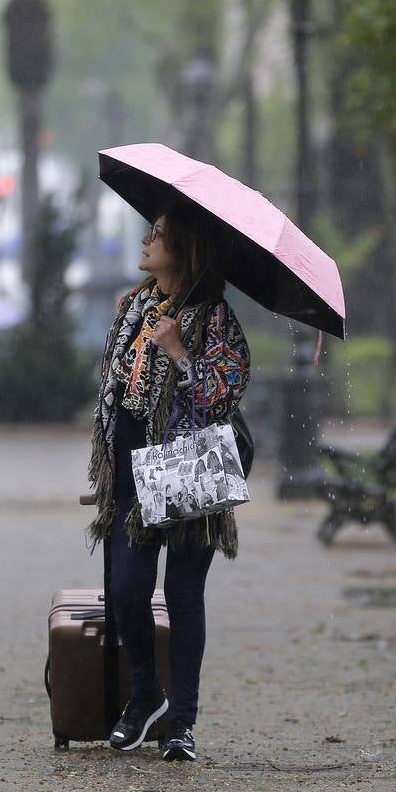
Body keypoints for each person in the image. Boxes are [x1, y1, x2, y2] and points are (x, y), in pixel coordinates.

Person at [85, 206, 250, 763]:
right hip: (131, 474)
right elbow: (112, 397)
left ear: (183, 250)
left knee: (183, 597)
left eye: (157, 235)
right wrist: (106, 469)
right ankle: (145, 695)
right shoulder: (134, 307)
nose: (146, 240)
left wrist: (180, 350)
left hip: (187, 474)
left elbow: (222, 398)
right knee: (126, 591)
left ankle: (181, 722)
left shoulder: (216, 319)